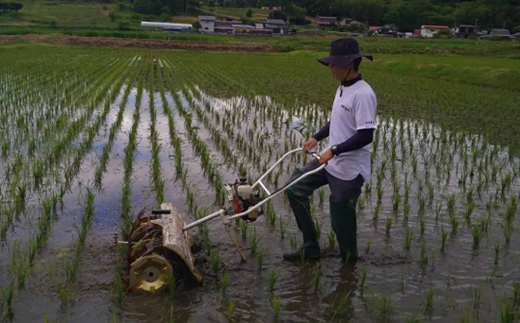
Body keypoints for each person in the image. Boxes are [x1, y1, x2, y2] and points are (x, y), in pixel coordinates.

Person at [283, 38, 377, 263]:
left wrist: (333, 150)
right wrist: (317, 137)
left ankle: (349, 267)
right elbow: (336, 121)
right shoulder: (343, 87)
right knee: (294, 188)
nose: (331, 68)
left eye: (334, 64)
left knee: (340, 222)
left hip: (349, 170)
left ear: (350, 64)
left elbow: (366, 135)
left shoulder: (363, 95)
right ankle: (310, 246)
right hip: (330, 160)